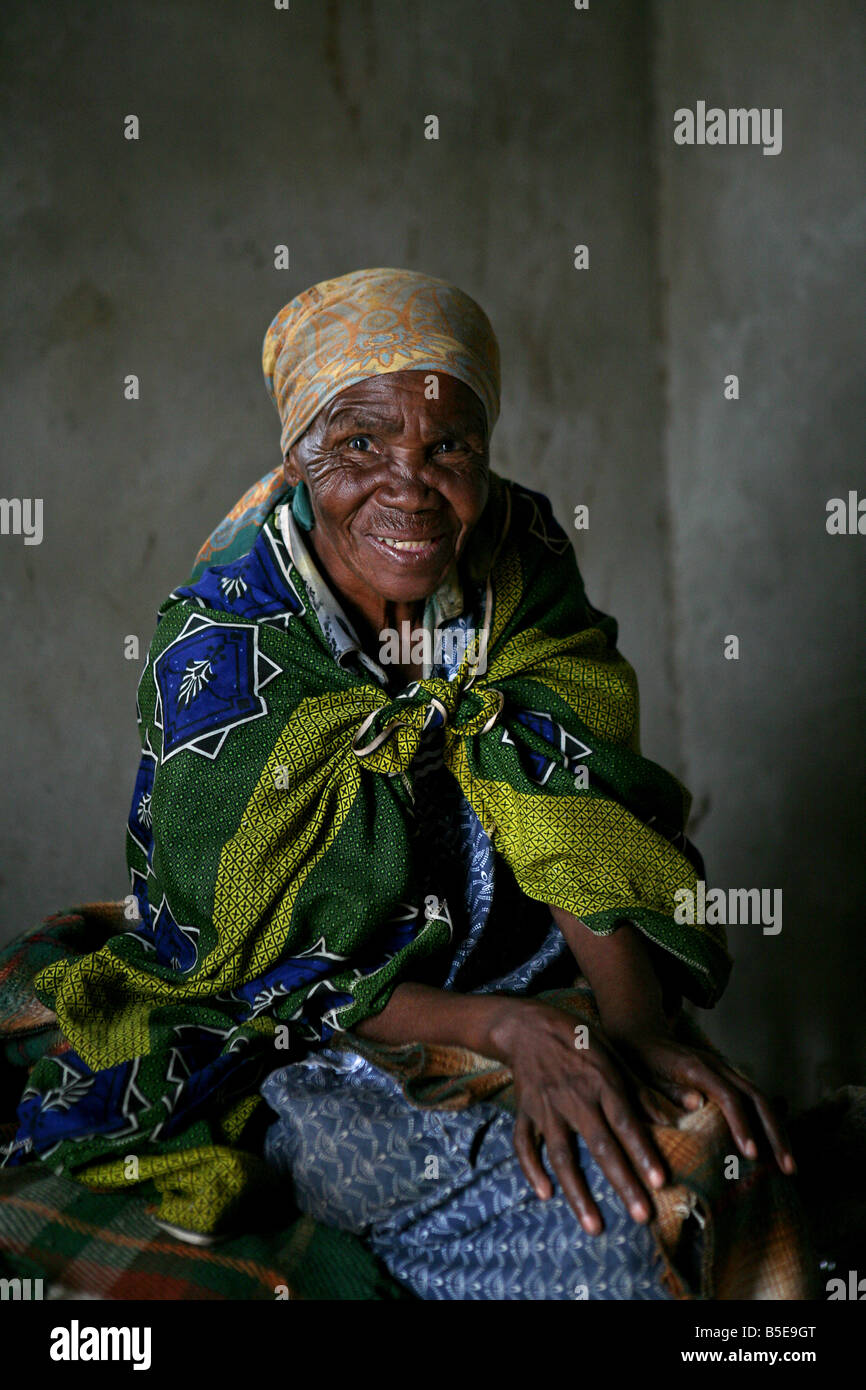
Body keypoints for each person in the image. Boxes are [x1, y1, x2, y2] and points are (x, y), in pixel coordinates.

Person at [6, 268, 804, 1300]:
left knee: (720, 1151)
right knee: (608, 1233)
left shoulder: (514, 549)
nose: (408, 485)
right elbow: (252, 964)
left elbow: (567, 801)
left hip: (518, 980)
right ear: (297, 459)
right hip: (300, 1036)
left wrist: (635, 1026)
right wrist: (506, 1035)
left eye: (448, 446)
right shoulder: (221, 651)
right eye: (358, 445)